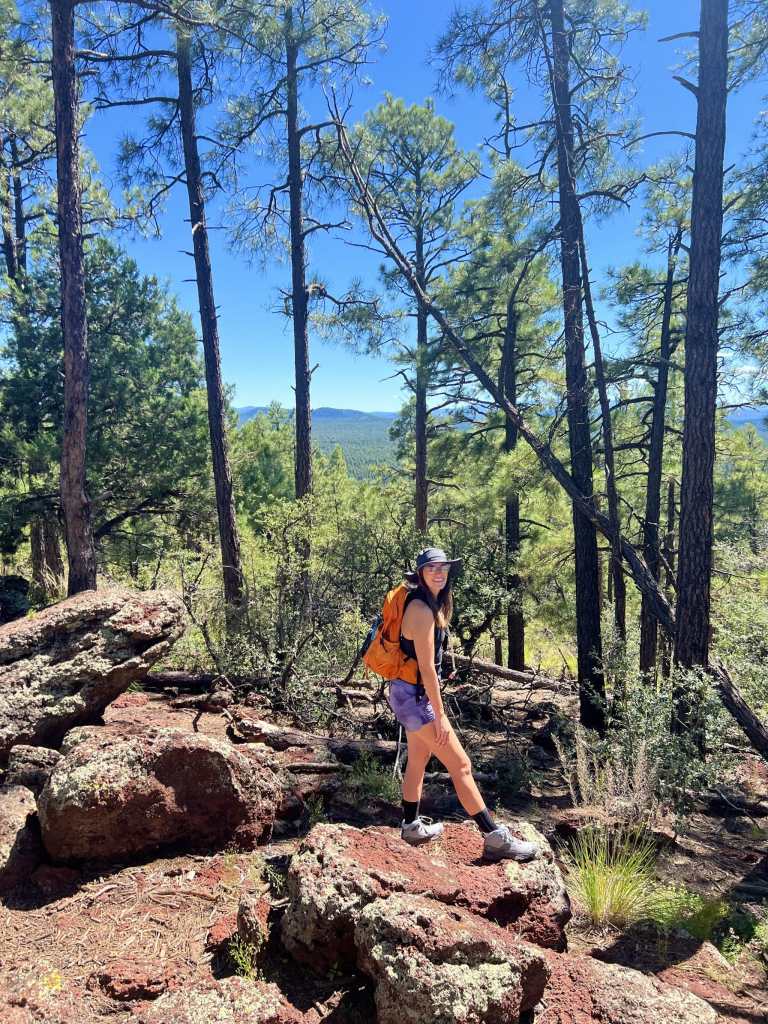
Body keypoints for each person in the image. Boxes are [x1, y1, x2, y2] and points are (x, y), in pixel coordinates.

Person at [387, 547, 538, 861]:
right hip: (416, 699)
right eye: (432, 569)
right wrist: (440, 715)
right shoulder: (423, 610)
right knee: (461, 765)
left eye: (443, 568)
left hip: (405, 694)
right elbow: (427, 668)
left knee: (418, 757)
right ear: (420, 573)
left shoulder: (426, 603)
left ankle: (411, 825)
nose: (439, 573)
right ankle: (494, 838)